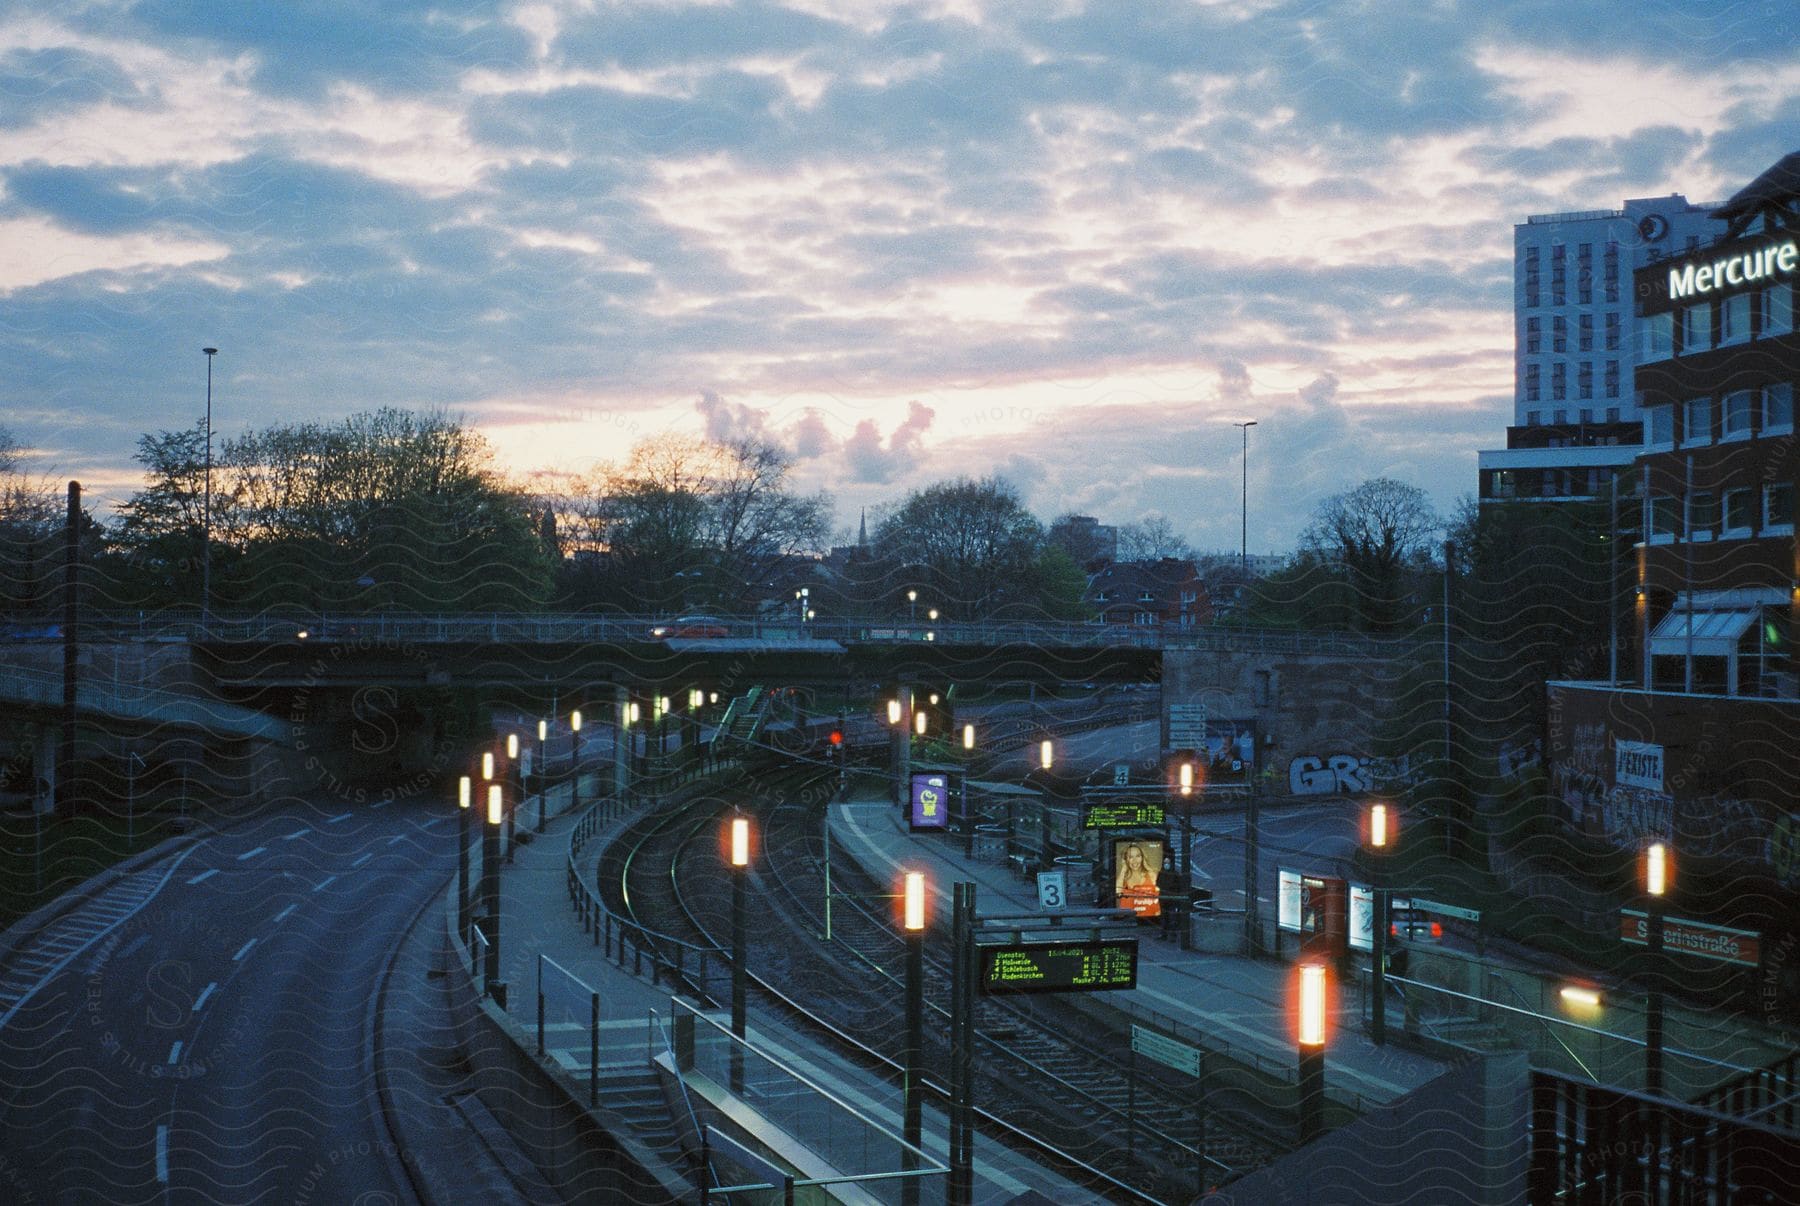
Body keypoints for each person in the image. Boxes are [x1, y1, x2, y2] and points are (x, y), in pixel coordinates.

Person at [1115, 843, 1160, 920]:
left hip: (1149, 919)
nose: (1135, 860)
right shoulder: (1122, 878)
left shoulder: (1150, 875)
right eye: (1130, 857)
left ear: (1142, 858)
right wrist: (1123, 869)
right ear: (1126, 859)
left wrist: (1146, 865)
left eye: (1138, 856)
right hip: (1126, 921)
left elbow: (1158, 894)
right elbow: (1117, 892)